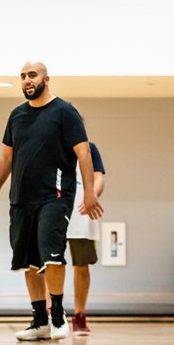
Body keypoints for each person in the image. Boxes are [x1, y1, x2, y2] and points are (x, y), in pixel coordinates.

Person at [0, 61, 104, 342]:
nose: (27, 80)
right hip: (21, 200)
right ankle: (39, 321)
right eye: (23, 76)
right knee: (29, 262)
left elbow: (84, 153)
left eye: (32, 75)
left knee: (52, 255)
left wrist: (89, 191)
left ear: (46, 79)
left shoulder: (64, 112)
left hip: (56, 196)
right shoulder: (16, 116)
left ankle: (59, 316)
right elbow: (5, 158)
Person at [63, 142, 105, 334]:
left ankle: (79, 315)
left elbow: (99, 178)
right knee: (50, 264)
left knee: (81, 265)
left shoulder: (90, 148)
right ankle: (51, 313)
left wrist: (92, 196)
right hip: (53, 208)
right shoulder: (51, 145)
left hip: (82, 211)